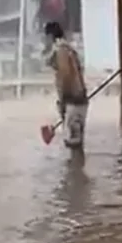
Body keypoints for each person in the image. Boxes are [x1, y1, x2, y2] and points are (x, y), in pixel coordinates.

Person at [44, 21, 88, 150]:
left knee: (73, 144)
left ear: (50, 36)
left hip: (72, 100)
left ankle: (75, 170)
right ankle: (78, 169)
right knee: (77, 142)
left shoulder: (61, 51)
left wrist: (63, 100)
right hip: (78, 99)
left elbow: (65, 75)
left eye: (45, 37)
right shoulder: (69, 49)